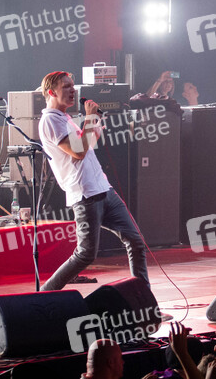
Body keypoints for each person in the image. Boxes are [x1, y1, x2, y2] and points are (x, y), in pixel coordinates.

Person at [37, 71, 149, 290]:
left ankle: (144, 298)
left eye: (73, 86)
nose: (73, 90)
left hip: (103, 189)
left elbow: (86, 144)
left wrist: (94, 125)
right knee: (86, 254)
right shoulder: (50, 120)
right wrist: (89, 119)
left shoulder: (65, 118)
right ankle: (44, 294)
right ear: (51, 92)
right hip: (85, 194)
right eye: (66, 86)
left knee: (136, 241)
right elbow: (78, 151)